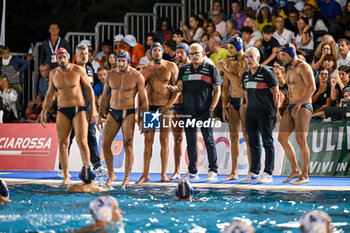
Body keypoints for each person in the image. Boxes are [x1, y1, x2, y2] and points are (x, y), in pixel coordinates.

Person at [164, 43, 221, 182]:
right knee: (191, 142)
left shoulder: (211, 69)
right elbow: (180, 87)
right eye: (192, 54)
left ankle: (213, 170)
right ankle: (192, 171)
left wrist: (212, 108)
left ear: (203, 53)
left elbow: (217, 91)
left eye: (197, 53)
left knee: (208, 140)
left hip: (205, 111)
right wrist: (172, 88)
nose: (194, 56)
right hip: (188, 110)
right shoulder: (184, 69)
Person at [40, 47, 98, 185]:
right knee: (63, 144)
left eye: (64, 57)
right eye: (59, 58)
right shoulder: (53, 73)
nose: (62, 60)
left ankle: (88, 174)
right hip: (62, 111)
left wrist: (94, 109)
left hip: (78, 109)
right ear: (57, 59)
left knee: (82, 142)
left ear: (68, 57)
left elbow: (89, 89)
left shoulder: (78, 70)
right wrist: (44, 112)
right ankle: (66, 176)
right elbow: (49, 95)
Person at [97, 50, 148, 187]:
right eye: (118, 61)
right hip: (113, 113)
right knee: (105, 144)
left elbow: (144, 99)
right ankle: (111, 174)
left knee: (127, 144)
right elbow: (104, 97)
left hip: (129, 113)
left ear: (128, 61)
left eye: (123, 61)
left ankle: (127, 176)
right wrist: (99, 116)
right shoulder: (110, 74)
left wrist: (143, 119)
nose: (120, 64)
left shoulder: (137, 76)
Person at [136, 42, 178, 184]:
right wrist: (140, 114)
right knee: (148, 141)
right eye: (154, 51)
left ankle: (163, 174)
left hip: (166, 108)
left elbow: (178, 89)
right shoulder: (145, 70)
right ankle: (145, 174)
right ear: (150, 53)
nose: (157, 53)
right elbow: (140, 94)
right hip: (151, 108)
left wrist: (169, 105)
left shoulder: (171, 66)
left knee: (164, 140)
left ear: (162, 52)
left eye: (159, 50)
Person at [61, 44, 106, 178]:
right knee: (67, 139)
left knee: (91, 137)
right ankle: (62, 168)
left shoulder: (90, 69)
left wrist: (93, 109)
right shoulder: (70, 69)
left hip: (88, 110)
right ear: (76, 56)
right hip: (73, 110)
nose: (84, 56)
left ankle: (96, 166)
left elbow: (91, 91)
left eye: (86, 54)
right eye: (81, 54)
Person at [239, 47, 279, 184]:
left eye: (251, 57)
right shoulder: (245, 75)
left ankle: (268, 172)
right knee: (253, 143)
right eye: (246, 57)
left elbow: (276, 93)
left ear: (257, 58)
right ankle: (254, 172)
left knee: (267, 142)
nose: (248, 60)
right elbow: (246, 94)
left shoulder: (268, 73)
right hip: (251, 112)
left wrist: (276, 112)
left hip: (266, 112)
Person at [277, 43, 316, 185]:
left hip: (304, 105)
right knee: (282, 138)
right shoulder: (288, 68)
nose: (282, 57)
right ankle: (295, 170)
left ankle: (305, 175)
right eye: (281, 55)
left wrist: (300, 104)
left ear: (291, 54)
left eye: (284, 55)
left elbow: (312, 87)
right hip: (291, 106)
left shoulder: (303, 66)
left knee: (301, 140)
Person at [217, 37, 251, 181]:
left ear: (239, 47)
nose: (229, 51)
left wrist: (224, 69)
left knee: (247, 136)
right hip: (232, 101)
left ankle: (251, 171)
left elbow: (239, 82)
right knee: (234, 137)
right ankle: (234, 171)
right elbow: (225, 86)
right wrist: (224, 105)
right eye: (228, 48)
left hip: (244, 101)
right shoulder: (229, 62)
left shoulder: (246, 62)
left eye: (231, 48)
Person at [169, 42, 190, 180]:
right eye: (177, 52)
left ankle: (192, 169)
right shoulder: (173, 66)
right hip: (177, 106)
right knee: (177, 138)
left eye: (182, 52)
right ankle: (177, 171)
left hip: (190, 105)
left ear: (187, 53)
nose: (179, 55)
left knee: (192, 139)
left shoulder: (193, 66)